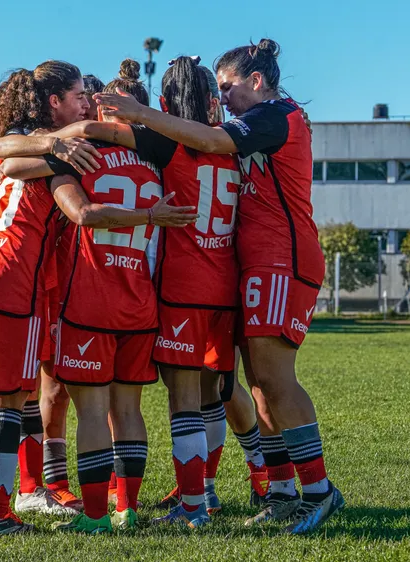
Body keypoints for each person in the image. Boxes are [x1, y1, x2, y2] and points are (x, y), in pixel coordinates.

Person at [0, 60, 195, 537]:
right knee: (18, 400)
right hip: (32, 287)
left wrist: (38, 152)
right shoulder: (113, 151)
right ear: (56, 103)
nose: (86, 101)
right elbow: (72, 203)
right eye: (79, 95)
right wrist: (152, 216)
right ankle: (9, 506)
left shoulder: (61, 148)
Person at [94, 38, 342, 534]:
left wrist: (138, 114)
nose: (224, 99)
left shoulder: (277, 115)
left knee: (275, 380)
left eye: (229, 87)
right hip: (249, 266)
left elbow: (207, 141)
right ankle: (281, 489)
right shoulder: (259, 126)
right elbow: (209, 140)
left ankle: (319, 491)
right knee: (257, 384)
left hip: (281, 260)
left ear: (257, 81)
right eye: (218, 90)